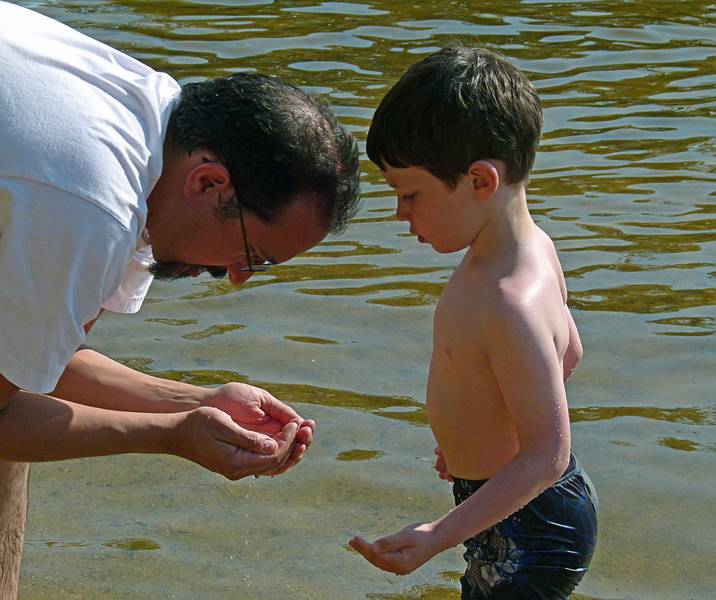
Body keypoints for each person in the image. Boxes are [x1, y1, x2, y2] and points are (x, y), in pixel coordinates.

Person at [0, 2, 360, 597]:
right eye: (253, 255)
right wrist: (167, 434)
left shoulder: (147, 116)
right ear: (208, 182)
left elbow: (30, 360)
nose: (238, 278)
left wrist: (194, 402)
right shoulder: (94, 209)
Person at [349, 45, 598, 599]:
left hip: (535, 529)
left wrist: (437, 535)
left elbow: (547, 455)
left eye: (409, 194)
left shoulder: (510, 298)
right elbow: (570, 352)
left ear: (481, 181)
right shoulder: (522, 252)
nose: (400, 213)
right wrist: (475, 438)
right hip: (517, 504)